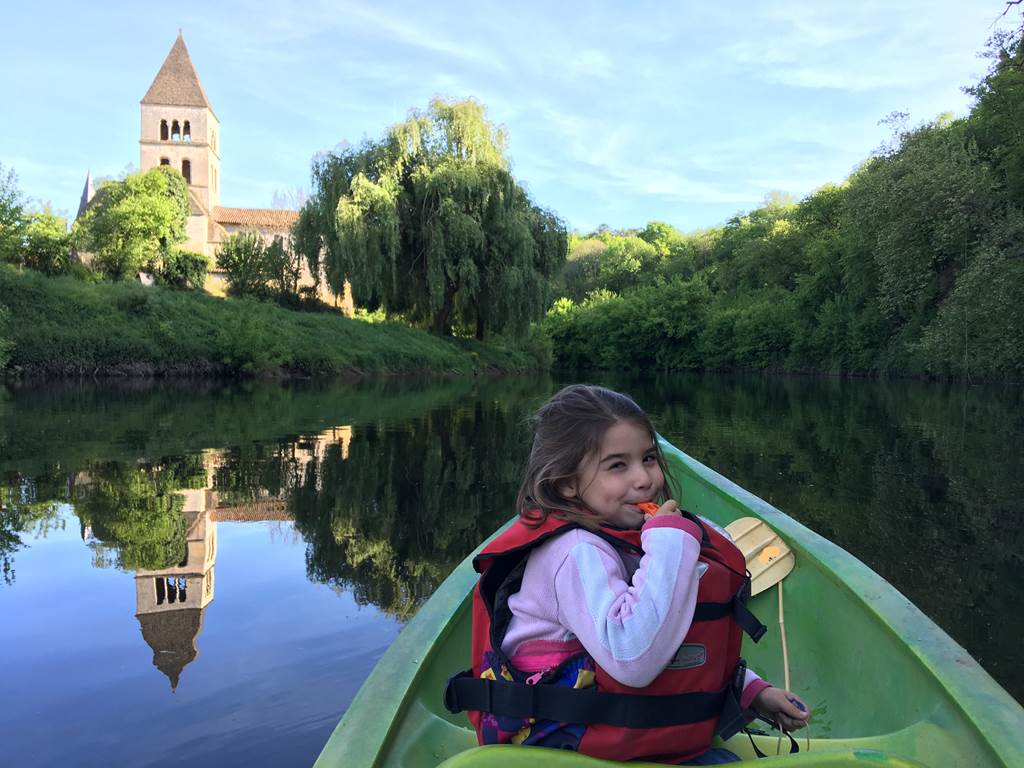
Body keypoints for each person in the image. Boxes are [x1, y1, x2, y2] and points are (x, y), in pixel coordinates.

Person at [444, 384, 810, 764]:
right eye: (617, 465)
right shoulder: (577, 553)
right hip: (562, 753)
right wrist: (670, 545)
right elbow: (633, 659)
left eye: (648, 458)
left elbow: (675, 636)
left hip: (626, 742)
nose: (644, 478)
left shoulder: (626, 539)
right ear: (566, 482)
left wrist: (749, 690)